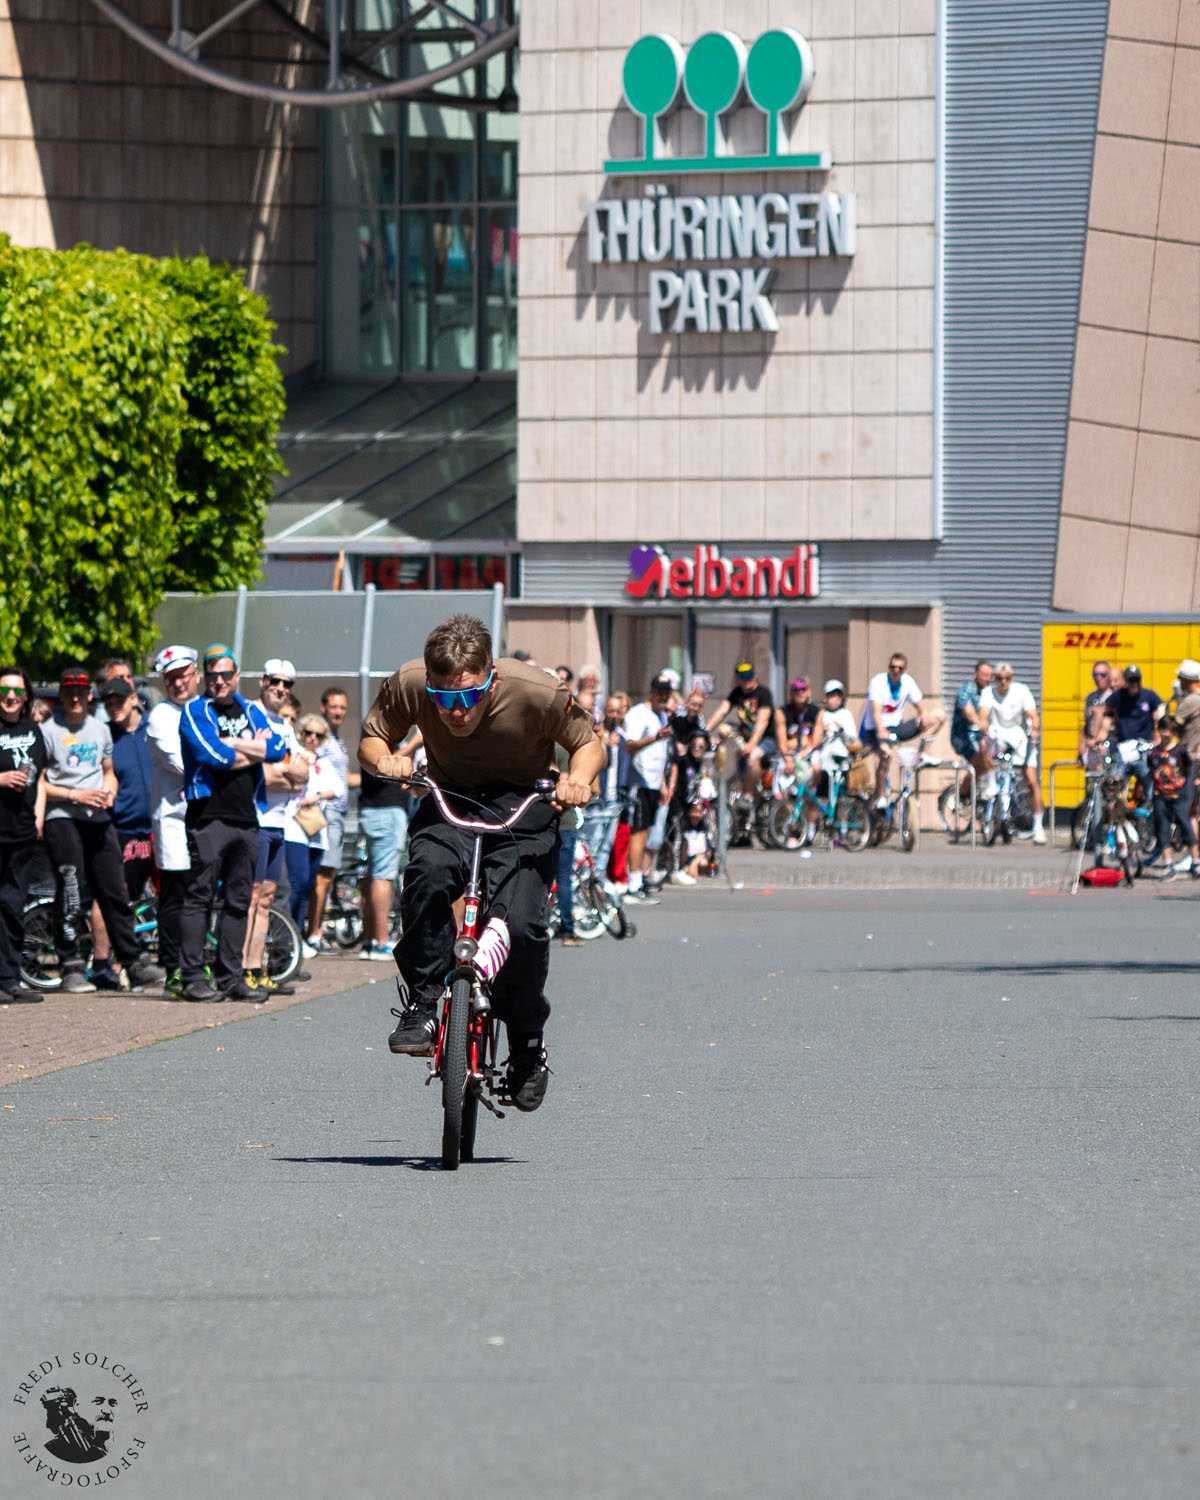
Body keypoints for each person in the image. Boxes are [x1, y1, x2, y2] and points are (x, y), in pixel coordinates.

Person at [359, 613, 603, 1112]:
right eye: (444, 698)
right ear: (429, 683)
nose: (456, 711)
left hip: (525, 806)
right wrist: (384, 759)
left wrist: (576, 779)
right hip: (449, 799)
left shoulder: (537, 691)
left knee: (522, 925)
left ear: (490, 678)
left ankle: (527, 1048)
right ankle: (425, 1001)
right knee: (426, 875)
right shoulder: (409, 684)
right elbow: (371, 739)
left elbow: (588, 744)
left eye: (469, 695)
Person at [41, 667, 164, 993]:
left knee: (115, 890)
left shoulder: (100, 730)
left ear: (88, 695)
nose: (76, 696)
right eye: (69, 691)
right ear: (62, 695)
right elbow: (38, 783)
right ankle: (71, 966)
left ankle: (133, 961)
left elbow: (108, 771)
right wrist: (74, 795)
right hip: (62, 815)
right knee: (70, 888)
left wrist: (108, 792)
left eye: (81, 691)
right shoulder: (49, 730)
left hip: (98, 818)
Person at [177, 645, 289, 1003]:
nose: (220, 681)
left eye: (226, 675)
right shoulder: (196, 710)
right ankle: (192, 977)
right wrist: (247, 749)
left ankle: (230, 978)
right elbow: (212, 755)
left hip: (247, 818)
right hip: (209, 816)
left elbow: (275, 750)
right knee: (198, 897)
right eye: (213, 676)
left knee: (238, 902)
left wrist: (235, 743)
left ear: (237, 676)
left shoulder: (249, 710)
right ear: (204, 678)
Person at [240, 659, 309, 997]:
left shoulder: (284, 727)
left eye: (287, 685)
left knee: (266, 898)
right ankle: (243, 969)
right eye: (275, 682)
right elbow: (262, 775)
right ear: (263, 682)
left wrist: (284, 774)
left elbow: (303, 776)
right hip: (256, 820)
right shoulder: (250, 715)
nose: (281, 689)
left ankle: (258, 967)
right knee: (251, 898)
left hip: (278, 823)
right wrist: (286, 773)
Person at [87, 675, 154, 989]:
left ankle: (143, 963)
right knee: (112, 897)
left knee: (149, 899)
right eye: (107, 701)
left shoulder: (153, 729)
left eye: (118, 700)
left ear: (133, 698)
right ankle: (102, 965)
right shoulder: (106, 736)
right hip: (120, 828)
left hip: (155, 829)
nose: (113, 706)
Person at [145, 645, 198, 995]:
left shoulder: (203, 708)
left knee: (199, 892)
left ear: (196, 676)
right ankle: (173, 967)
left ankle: (194, 959)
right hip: (174, 816)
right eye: (171, 678)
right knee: (175, 893)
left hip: (204, 815)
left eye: (184, 676)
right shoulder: (161, 716)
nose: (178, 683)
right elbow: (182, 764)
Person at [0, 665, 47, 1003]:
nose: (11, 697)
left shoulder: (33, 729)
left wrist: (39, 818)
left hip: (22, 833)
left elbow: (40, 777)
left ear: (26, 696)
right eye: (4, 690)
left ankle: (10, 980)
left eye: (17, 691)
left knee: (14, 907)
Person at [304, 687, 358, 950]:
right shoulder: (321, 737)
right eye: (334, 706)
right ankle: (314, 932)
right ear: (324, 707)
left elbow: (347, 779)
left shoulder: (336, 739)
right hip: (326, 814)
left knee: (326, 873)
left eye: (343, 707)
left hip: (337, 812)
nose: (339, 712)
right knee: (322, 875)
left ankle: (316, 929)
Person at [283, 713, 342, 931]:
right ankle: (287, 934)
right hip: (294, 827)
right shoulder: (293, 755)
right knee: (296, 882)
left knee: (308, 884)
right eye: (309, 733)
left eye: (318, 735)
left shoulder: (322, 763)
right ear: (301, 734)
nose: (312, 738)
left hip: (315, 832)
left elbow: (338, 789)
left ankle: (298, 933)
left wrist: (315, 797)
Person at [860, 651, 940, 804]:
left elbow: (921, 706)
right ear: (888, 668)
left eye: (899, 668)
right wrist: (882, 731)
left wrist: (924, 714)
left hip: (896, 727)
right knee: (885, 754)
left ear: (905, 670)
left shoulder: (907, 682)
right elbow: (876, 713)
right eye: (892, 667)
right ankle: (881, 796)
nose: (895, 671)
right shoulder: (878, 682)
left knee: (938, 717)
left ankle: (922, 754)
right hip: (876, 729)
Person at [622, 674, 676, 901]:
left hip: (654, 783)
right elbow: (630, 746)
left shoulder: (661, 715)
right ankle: (632, 883)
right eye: (659, 691)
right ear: (651, 691)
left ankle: (638, 878)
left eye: (667, 692)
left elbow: (661, 755)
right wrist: (654, 737)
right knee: (638, 832)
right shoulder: (638, 714)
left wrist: (663, 783)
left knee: (645, 833)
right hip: (638, 782)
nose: (663, 696)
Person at [979, 662, 1046, 843]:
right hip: (998, 737)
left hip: (1019, 737)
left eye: (1007, 678)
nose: (1003, 682)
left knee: (1031, 779)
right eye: (999, 678)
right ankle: (993, 789)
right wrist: (983, 724)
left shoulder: (1021, 691)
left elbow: (1033, 715)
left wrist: (1034, 728)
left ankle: (1038, 826)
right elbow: (983, 714)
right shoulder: (988, 693)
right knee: (984, 746)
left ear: (1012, 678)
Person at [706, 662, 783, 795]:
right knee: (724, 730)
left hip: (766, 739)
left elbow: (762, 721)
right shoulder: (737, 693)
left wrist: (752, 744)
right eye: (743, 677)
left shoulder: (763, 693)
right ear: (737, 679)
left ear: (754, 676)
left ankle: (752, 796)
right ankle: (736, 786)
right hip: (745, 739)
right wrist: (704, 732)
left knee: (753, 757)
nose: (747, 680)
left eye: (749, 676)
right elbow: (722, 711)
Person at [1104, 664, 1161, 812]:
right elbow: (1104, 710)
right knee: (1115, 783)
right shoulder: (1120, 695)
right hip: (1124, 749)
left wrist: (1157, 737)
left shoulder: (1149, 696)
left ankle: (1149, 812)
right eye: (1131, 681)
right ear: (1126, 682)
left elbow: (1162, 713)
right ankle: (1116, 813)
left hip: (1143, 748)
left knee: (1149, 782)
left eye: (1137, 680)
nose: (1134, 684)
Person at [1147, 716, 1198, 874]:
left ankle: (1196, 860)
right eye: (1163, 730)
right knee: (1162, 826)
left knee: (1185, 824)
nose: (1166, 734)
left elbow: (1188, 768)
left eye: (1169, 730)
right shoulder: (1154, 752)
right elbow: (1151, 769)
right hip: (1160, 794)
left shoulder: (1180, 750)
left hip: (1178, 794)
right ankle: (1168, 861)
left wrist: (1184, 783)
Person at [949, 660, 994, 807]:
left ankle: (985, 791)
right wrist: (979, 722)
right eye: (984, 675)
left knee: (992, 760)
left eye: (990, 676)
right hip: (962, 736)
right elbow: (969, 712)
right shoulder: (966, 690)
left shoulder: (989, 692)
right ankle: (961, 794)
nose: (988, 678)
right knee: (977, 761)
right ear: (975, 674)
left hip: (980, 736)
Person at [40, 1387, 117, 1464]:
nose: (107, 1411)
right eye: (98, 1402)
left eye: (112, 1404)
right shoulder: (54, 1450)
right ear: (76, 1404)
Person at [1079, 660, 1114, 769]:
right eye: (1095, 675)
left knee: (1105, 782)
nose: (1098, 678)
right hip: (1091, 747)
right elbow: (1086, 724)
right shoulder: (1091, 697)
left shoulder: (1113, 696)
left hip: (1107, 746)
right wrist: (1081, 747)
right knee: (1091, 782)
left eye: (1102, 675)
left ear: (1109, 676)